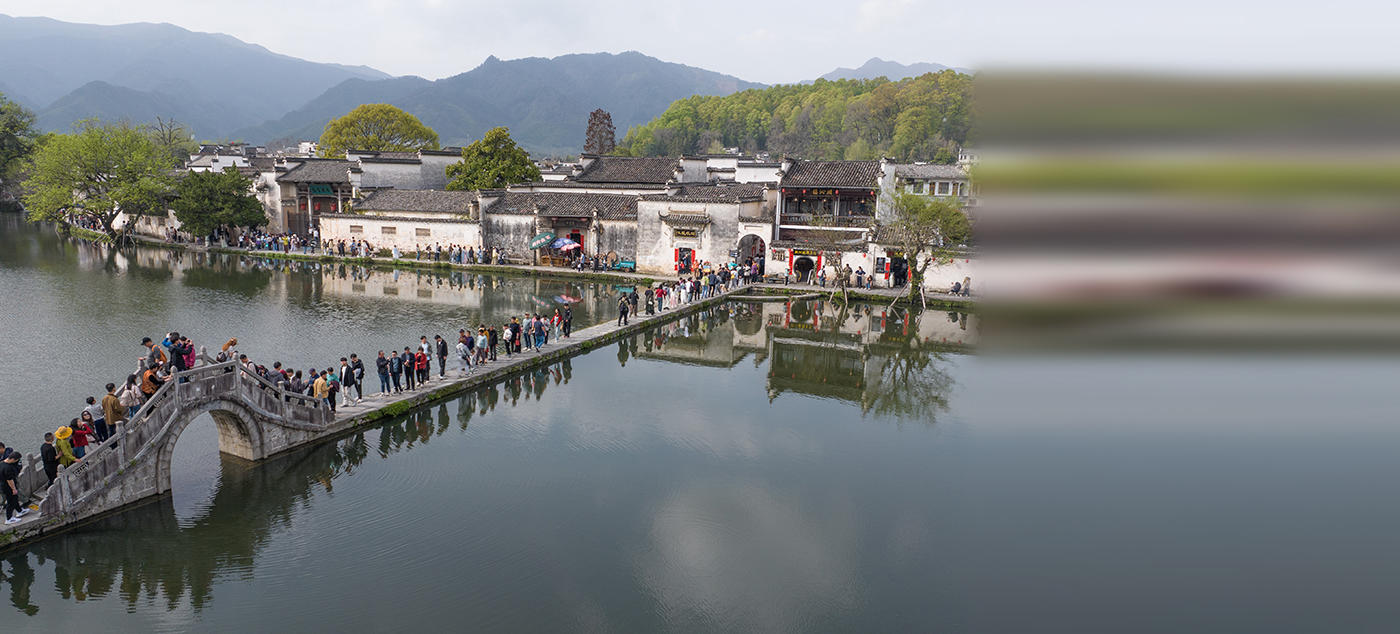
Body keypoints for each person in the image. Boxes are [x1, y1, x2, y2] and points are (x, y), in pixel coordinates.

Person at [2, 452, 22, 524]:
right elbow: (9, 480)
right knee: (11, 502)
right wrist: (14, 489)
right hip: (8, 487)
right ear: (13, 459)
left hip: (2, 485)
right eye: (16, 460)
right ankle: (9, 518)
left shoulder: (1, 464)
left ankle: (19, 510)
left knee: (14, 499)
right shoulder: (8, 468)